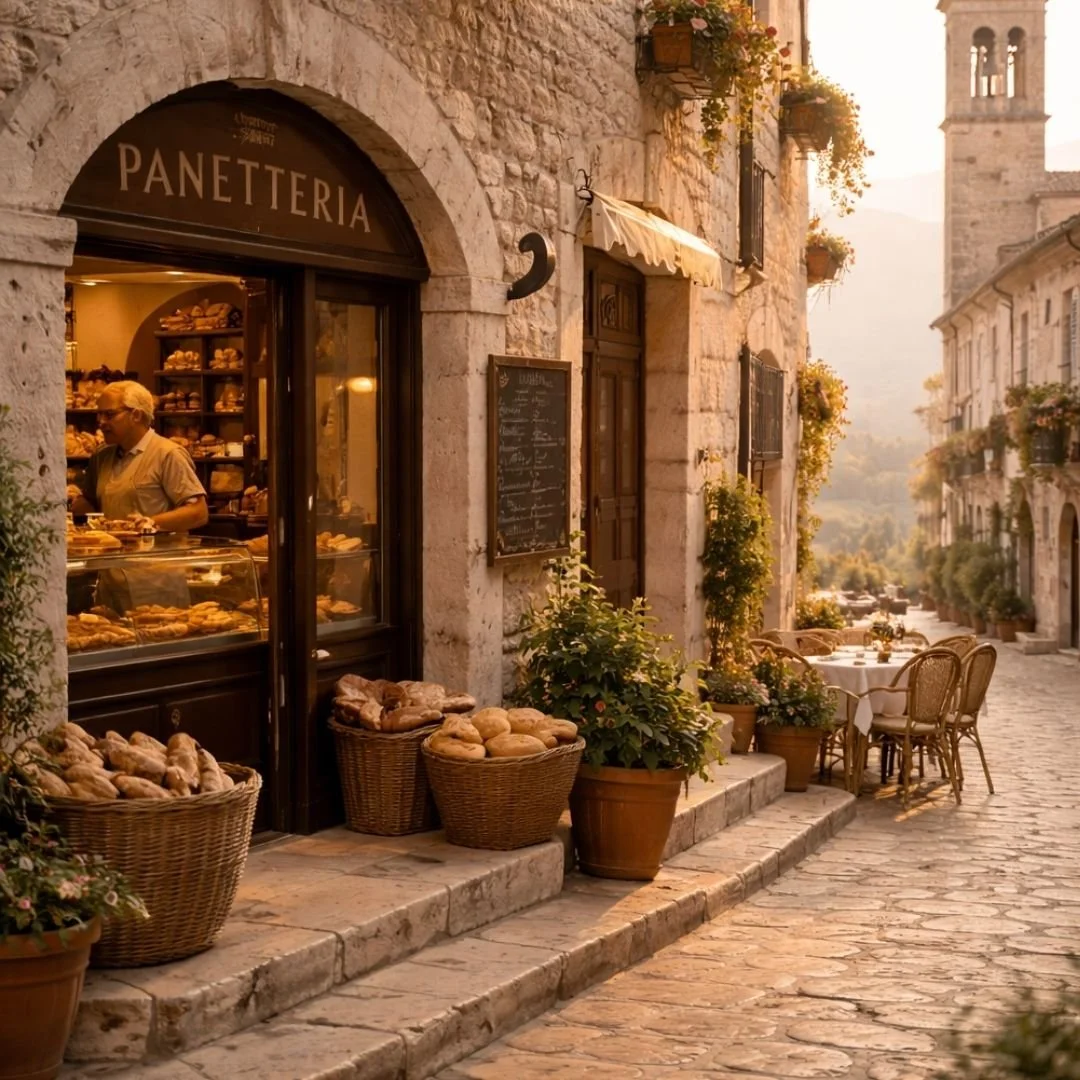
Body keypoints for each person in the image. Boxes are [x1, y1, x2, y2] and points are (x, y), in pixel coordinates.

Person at [70, 381, 208, 533]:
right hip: (112, 554)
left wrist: (151, 523)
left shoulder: (167, 454)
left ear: (136, 415)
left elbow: (198, 512)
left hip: (156, 555)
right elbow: (92, 504)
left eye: (109, 415)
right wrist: (73, 500)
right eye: (99, 414)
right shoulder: (101, 456)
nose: (101, 422)